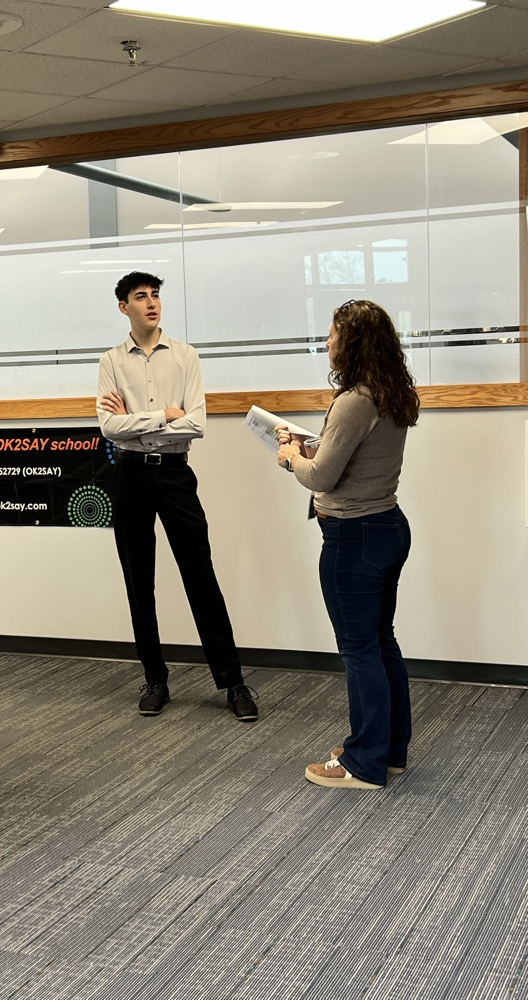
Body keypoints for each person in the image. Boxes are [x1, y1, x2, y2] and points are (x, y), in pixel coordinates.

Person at [97, 272, 258, 721]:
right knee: (138, 581)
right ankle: (155, 678)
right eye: (140, 297)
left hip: (174, 474)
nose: (151, 303)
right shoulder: (110, 361)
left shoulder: (185, 356)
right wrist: (163, 414)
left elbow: (196, 424)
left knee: (200, 576)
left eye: (155, 296)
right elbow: (109, 427)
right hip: (128, 476)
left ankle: (234, 683)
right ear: (123, 307)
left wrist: (140, 418)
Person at [276, 299, 419, 789]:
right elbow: (350, 461)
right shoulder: (391, 391)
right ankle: (388, 748)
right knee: (381, 641)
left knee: (359, 649)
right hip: (386, 527)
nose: (329, 341)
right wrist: (311, 449)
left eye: (334, 333)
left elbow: (322, 476)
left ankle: (363, 763)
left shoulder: (355, 400)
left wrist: (291, 455)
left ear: (352, 342)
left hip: (353, 538)